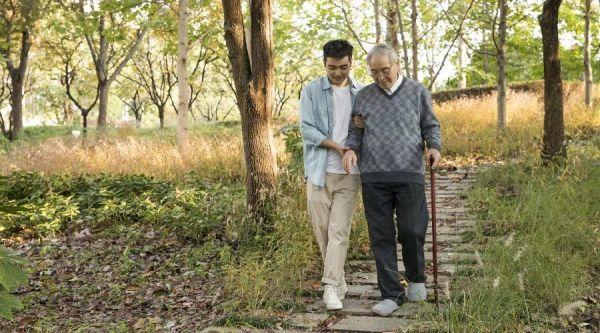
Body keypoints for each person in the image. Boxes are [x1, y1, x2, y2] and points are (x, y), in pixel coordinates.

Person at [343, 44, 442, 317]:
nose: (380, 77)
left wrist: (433, 146)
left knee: (412, 229)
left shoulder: (417, 91)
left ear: (397, 65)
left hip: (409, 171)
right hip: (373, 176)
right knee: (381, 236)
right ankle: (390, 293)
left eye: (384, 70)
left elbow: (430, 125)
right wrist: (351, 149)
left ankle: (416, 278)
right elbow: (355, 131)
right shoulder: (363, 96)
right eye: (374, 72)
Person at [299, 39, 363, 310]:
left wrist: (362, 128)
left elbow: (367, 130)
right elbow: (307, 130)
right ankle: (338, 279)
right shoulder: (311, 90)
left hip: (350, 173)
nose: (338, 73)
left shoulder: (362, 92)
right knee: (323, 231)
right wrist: (337, 146)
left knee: (339, 231)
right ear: (324, 63)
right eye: (332, 67)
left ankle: (329, 288)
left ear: (351, 62)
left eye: (344, 67)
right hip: (319, 172)